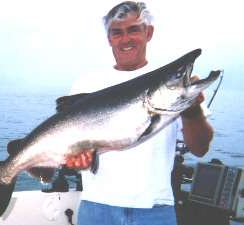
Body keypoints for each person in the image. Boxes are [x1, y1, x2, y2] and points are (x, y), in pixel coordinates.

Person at [65, 1, 214, 225]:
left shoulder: (172, 85)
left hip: (155, 209)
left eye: (133, 29)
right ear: (109, 39)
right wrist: (76, 161)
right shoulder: (86, 84)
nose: (125, 39)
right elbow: (75, 155)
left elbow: (201, 148)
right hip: (97, 207)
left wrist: (192, 113)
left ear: (148, 32)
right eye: (117, 33)